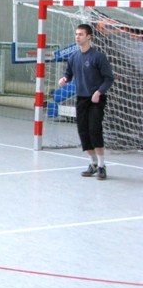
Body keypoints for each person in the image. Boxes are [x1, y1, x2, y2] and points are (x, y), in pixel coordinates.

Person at [58, 23, 114, 179]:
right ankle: (93, 163)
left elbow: (109, 79)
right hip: (81, 99)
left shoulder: (98, 57)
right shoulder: (73, 57)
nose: (77, 37)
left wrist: (99, 92)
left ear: (89, 37)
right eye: (76, 34)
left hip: (96, 99)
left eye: (81, 34)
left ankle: (102, 165)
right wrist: (64, 79)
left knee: (94, 129)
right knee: (83, 131)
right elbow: (68, 74)